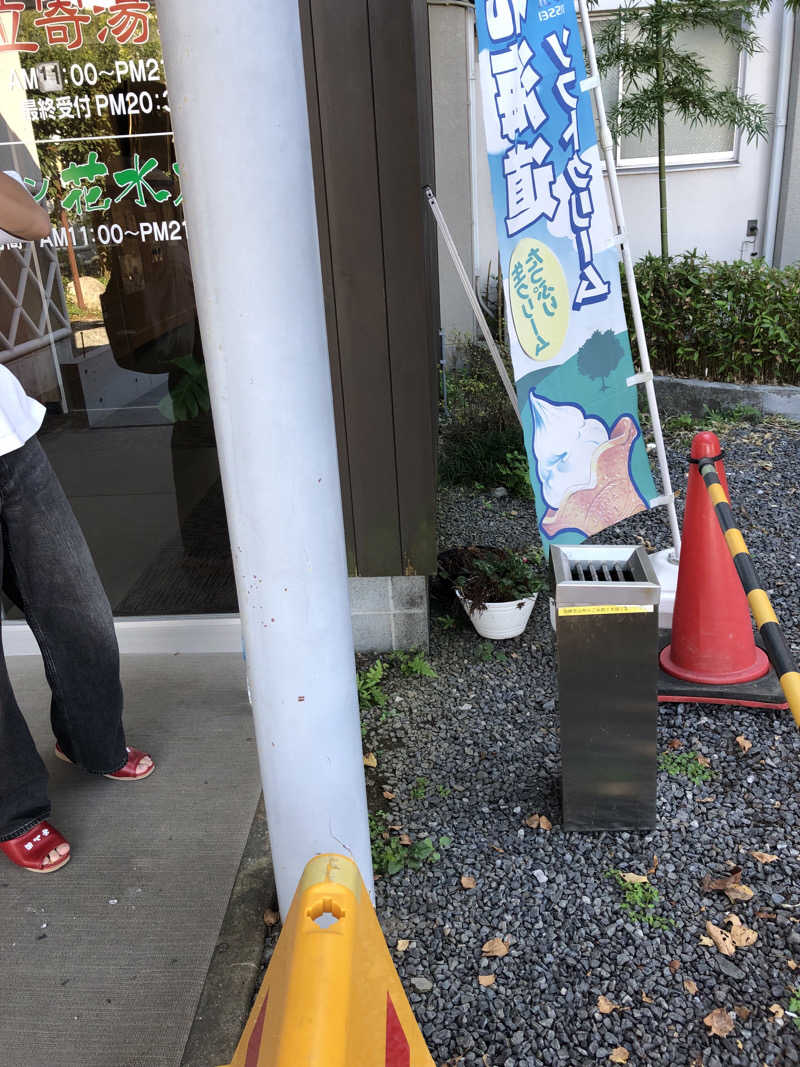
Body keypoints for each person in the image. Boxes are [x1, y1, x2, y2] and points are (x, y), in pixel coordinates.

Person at [0, 172, 153, 874]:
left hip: (8, 438)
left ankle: (91, 739)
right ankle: (15, 807)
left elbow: (31, 222)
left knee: (77, 604)